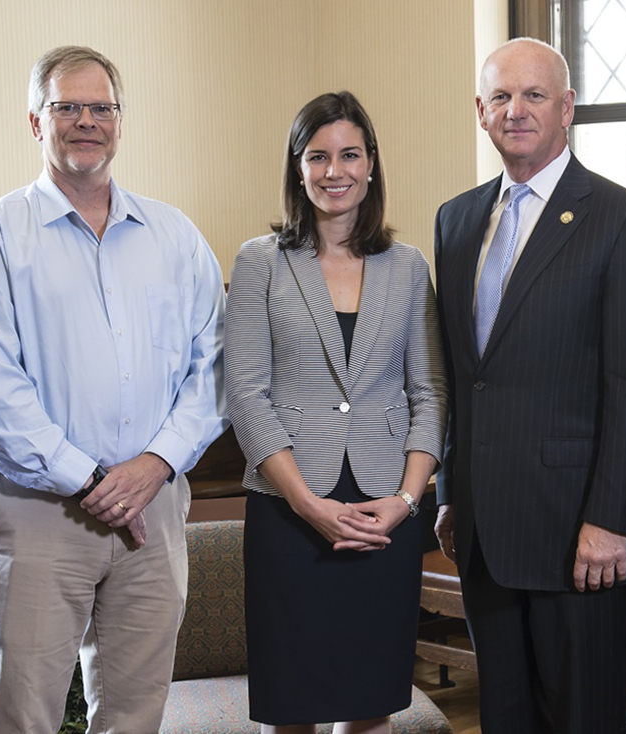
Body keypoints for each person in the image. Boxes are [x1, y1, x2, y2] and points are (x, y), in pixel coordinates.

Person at [0, 46, 227, 734]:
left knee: (134, 713)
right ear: (37, 123)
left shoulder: (175, 237)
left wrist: (153, 467)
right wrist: (93, 482)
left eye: (102, 108)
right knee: (21, 715)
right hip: (35, 516)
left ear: (120, 124)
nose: (86, 121)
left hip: (152, 515)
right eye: (68, 107)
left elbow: (212, 368)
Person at [432, 38, 626, 733]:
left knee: (583, 721)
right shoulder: (455, 221)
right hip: (483, 533)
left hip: (581, 537)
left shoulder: (625, 220)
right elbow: (459, 377)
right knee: (506, 721)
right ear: (481, 111)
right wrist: (451, 493)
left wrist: (608, 518)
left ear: (565, 108)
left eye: (534, 95)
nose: (517, 110)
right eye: (501, 97)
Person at [225, 90, 446, 734]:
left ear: (371, 164)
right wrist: (306, 503)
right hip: (289, 504)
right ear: (298, 167)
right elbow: (246, 394)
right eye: (317, 156)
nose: (334, 171)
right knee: (291, 704)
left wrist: (407, 501)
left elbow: (431, 394)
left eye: (349, 154)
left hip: (385, 507)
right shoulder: (259, 262)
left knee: (369, 697)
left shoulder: (407, 268)